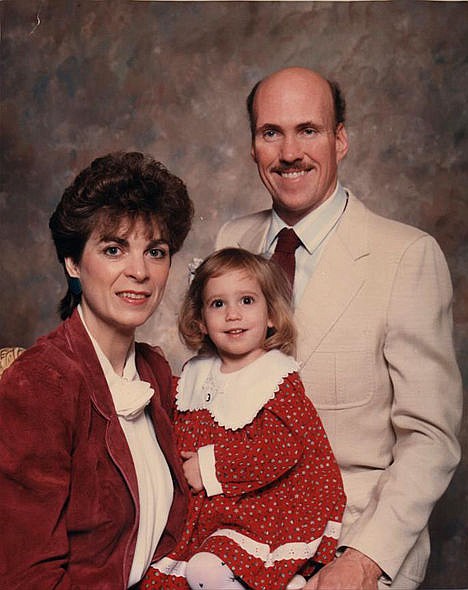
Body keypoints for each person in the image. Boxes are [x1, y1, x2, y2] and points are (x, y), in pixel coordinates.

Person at [215, 67, 462, 589]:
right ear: (253, 147)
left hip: (352, 539)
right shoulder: (230, 239)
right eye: (270, 133)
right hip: (235, 534)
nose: (289, 152)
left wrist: (364, 559)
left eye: (309, 130)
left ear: (341, 139)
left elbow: (430, 437)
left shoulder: (406, 257)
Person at [0, 151, 194, 588]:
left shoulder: (155, 372)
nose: (140, 271)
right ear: (73, 263)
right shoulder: (40, 385)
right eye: (114, 249)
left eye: (156, 251)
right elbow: (26, 577)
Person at [139, 248, 346, 590]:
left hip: (260, 511)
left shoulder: (275, 378)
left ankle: (272, 578)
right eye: (218, 304)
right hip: (205, 516)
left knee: (204, 570)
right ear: (201, 321)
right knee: (157, 571)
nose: (233, 314)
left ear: (271, 316)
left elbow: (281, 449)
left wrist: (209, 467)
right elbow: (174, 428)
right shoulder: (194, 375)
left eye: (247, 301)